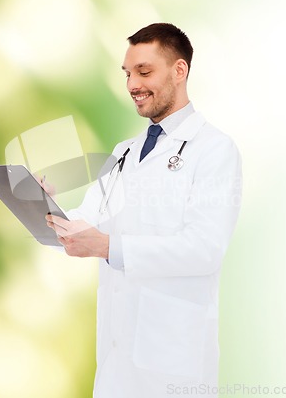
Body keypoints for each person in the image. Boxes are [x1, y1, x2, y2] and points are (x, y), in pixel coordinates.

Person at [46, 23, 242, 398]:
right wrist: (45, 210)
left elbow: (204, 249)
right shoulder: (124, 153)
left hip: (174, 363)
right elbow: (88, 222)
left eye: (144, 71)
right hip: (117, 359)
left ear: (179, 71)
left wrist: (109, 247)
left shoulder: (214, 150)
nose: (132, 84)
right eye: (127, 73)